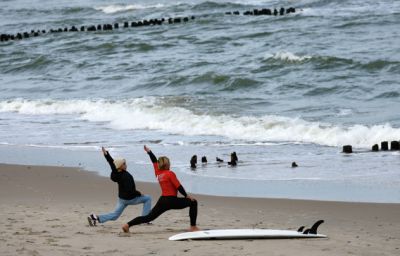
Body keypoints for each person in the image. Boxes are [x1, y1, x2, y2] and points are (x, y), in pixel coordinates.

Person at [121, 145, 199, 233]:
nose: (170, 164)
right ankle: (193, 227)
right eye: (169, 163)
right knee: (193, 202)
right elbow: (179, 186)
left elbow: (154, 161)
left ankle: (127, 225)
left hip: (163, 201)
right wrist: (187, 196)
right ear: (166, 164)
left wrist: (149, 152)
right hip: (172, 201)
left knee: (148, 217)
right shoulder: (170, 173)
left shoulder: (158, 173)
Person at [87, 147, 152, 226]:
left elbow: (112, 163)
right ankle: (144, 220)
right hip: (130, 198)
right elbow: (130, 191)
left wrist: (106, 155)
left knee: (115, 216)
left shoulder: (116, 173)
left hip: (122, 199)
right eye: (124, 163)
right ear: (120, 166)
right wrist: (139, 193)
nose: (126, 165)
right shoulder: (126, 176)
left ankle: (95, 218)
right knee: (148, 198)